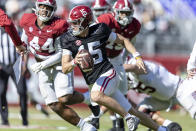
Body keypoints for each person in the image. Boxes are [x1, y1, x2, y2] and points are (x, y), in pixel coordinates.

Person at [61, 5, 167, 131]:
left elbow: (123, 40)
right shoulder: (67, 39)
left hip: (108, 73)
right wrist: (74, 62)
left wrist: (137, 56)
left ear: (85, 21)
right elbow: (64, 68)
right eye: (71, 22)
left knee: (95, 96)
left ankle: (128, 117)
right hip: (93, 80)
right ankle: (162, 129)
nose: (72, 26)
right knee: (132, 110)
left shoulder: (100, 29)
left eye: (76, 22)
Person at [15, 0, 96, 130]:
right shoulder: (27, 20)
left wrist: (43, 65)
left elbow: (61, 53)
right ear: (37, 7)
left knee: (64, 98)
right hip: (42, 68)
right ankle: (85, 127)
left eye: (48, 8)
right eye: (42, 7)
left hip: (59, 64)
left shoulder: (59, 25)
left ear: (53, 10)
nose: (45, 10)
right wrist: (21, 48)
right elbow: (25, 39)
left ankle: (89, 98)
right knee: (53, 104)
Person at [94, 0, 142, 130]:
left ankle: (119, 123)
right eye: (122, 13)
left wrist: (128, 58)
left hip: (116, 58)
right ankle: (96, 118)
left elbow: (130, 43)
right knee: (103, 91)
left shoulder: (135, 25)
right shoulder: (106, 20)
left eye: (127, 13)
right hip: (101, 58)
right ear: (115, 13)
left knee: (122, 91)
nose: (125, 17)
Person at [124, 54, 196, 130]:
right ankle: (170, 125)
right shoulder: (122, 76)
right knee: (139, 113)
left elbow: (136, 67)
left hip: (179, 90)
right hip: (160, 99)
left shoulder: (135, 63)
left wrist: (119, 68)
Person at [0, 8, 28, 126]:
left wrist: (24, 64)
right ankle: (5, 120)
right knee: (1, 92)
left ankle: (24, 119)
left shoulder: (17, 31)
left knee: (22, 92)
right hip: (2, 65)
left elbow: (24, 49)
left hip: (16, 65)